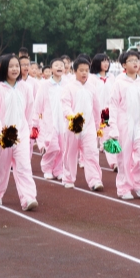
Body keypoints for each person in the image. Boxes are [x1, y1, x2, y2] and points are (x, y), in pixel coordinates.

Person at [0, 54, 38, 211]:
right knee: (0, 166)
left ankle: (28, 197)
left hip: (21, 133)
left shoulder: (25, 88)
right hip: (3, 134)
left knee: (24, 166)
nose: (15, 69)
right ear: (4, 69)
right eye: (11, 66)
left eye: (17, 66)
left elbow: (29, 110)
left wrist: (29, 128)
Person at [107, 50, 140, 200]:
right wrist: (113, 128)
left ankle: (139, 184)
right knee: (124, 158)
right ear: (123, 65)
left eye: (137, 60)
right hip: (124, 126)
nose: (135, 63)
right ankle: (124, 188)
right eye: (131, 60)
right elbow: (113, 106)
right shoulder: (119, 83)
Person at [61, 57, 104, 191]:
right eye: (81, 70)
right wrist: (71, 117)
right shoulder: (69, 87)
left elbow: (96, 108)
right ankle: (68, 178)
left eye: (86, 70)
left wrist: (98, 125)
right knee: (70, 153)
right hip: (73, 126)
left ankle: (95, 180)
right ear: (75, 71)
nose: (84, 73)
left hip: (89, 126)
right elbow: (65, 105)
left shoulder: (92, 88)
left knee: (91, 152)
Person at [32, 58, 67, 180]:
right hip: (49, 121)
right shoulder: (45, 85)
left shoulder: (67, 84)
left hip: (63, 121)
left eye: (61, 65)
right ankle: (47, 168)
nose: (59, 67)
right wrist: (35, 121)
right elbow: (38, 104)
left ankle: (58, 169)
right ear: (51, 69)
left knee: (62, 147)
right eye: (56, 65)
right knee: (52, 146)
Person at [89, 53, 117, 170]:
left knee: (108, 137)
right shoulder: (92, 78)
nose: (106, 64)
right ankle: (85, 160)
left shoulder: (111, 77)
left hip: (108, 112)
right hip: (94, 113)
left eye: (107, 61)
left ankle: (114, 162)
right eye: (103, 61)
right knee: (91, 139)